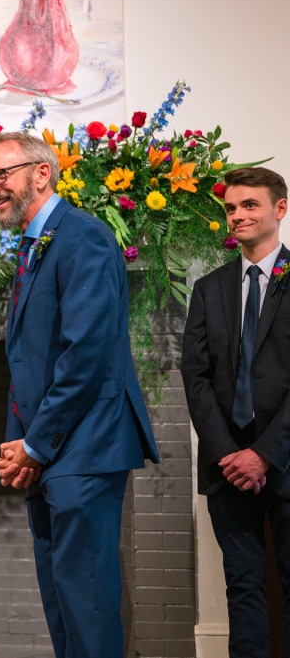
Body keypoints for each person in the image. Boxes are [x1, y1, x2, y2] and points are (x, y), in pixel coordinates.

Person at [0, 132, 159, 658]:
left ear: (42, 173)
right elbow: (26, 361)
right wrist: (20, 447)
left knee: (88, 603)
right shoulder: (34, 243)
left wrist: (35, 446)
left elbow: (84, 355)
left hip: (86, 446)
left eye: (1, 175)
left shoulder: (81, 236)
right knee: (63, 603)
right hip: (51, 452)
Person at [181, 167, 290, 657]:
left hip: (285, 460)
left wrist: (264, 455)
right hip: (227, 468)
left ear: (279, 209)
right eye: (230, 208)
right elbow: (196, 377)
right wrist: (230, 454)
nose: (238, 215)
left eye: (250, 205)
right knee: (242, 586)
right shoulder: (209, 288)